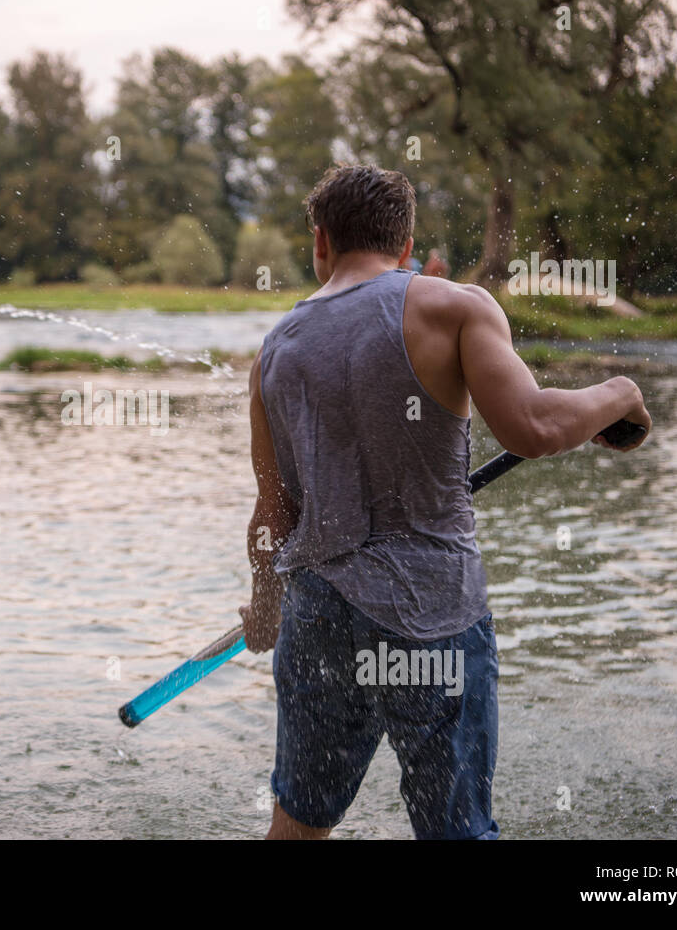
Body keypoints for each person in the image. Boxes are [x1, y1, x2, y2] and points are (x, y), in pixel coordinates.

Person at [240, 165, 651, 839]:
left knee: (298, 827)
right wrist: (620, 394)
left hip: (316, 622)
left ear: (320, 242)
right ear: (404, 247)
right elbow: (535, 427)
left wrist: (265, 604)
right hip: (429, 616)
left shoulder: (273, 352)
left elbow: (270, 517)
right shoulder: (451, 306)